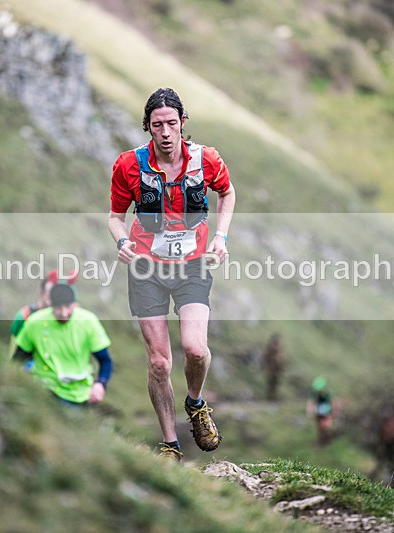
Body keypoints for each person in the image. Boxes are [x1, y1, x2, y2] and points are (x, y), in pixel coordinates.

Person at [107, 87, 236, 462]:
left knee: (195, 349)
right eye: (157, 125)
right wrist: (121, 243)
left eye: (171, 123)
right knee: (159, 361)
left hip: (193, 264)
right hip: (146, 267)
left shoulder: (206, 160)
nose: (165, 132)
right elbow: (115, 217)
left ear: (183, 124)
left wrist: (222, 237)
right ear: (147, 127)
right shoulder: (129, 165)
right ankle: (169, 444)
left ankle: (195, 405)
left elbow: (227, 194)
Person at [12, 284, 113, 406]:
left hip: (79, 396)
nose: (64, 313)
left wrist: (100, 384)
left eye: (67, 307)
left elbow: (105, 361)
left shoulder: (89, 321)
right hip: (44, 391)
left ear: (74, 304)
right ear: (51, 304)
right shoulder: (34, 322)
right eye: (58, 308)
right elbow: (18, 359)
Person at [8, 269, 78, 357]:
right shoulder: (24, 316)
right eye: (50, 295)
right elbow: (14, 349)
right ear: (41, 294)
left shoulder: (68, 318)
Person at [306, 376, 334, 445]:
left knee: (326, 425)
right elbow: (311, 402)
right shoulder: (314, 394)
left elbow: (332, 402)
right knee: (319, 426)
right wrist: (309, 411)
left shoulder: (327, 393)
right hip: (318, 411)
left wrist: (332, 412)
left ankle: (327, 437)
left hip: (326, 411)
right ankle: (321, 439)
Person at [263, 333, 286, 401]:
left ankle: (274, 397)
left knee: (275, 384)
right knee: (271, 384)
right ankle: (270, 397)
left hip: (277, 369)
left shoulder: (279, 351)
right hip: (272, 369)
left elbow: (281, 360)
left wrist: (282, 367)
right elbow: (267, 358)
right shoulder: (270, 349)